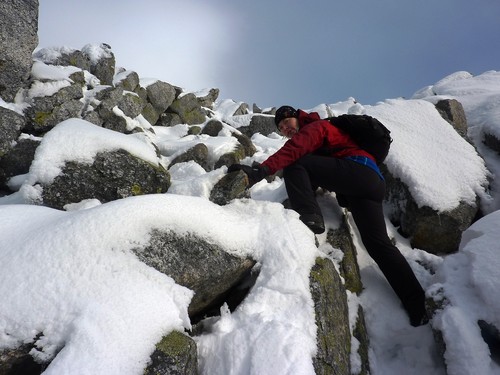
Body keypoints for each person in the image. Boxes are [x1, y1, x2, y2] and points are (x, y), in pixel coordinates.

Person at [228, 105, 428, 327]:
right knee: (378, 245)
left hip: (358, 172)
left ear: (297, 117)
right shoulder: (324, 136)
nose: (285, 129)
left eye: (287, 122)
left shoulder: (316, 126)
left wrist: (261, 171)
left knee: (296, 161)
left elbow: (295, 151)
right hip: (370, 183)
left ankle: (309, 217)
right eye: (282, 128)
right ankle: (417, 305)